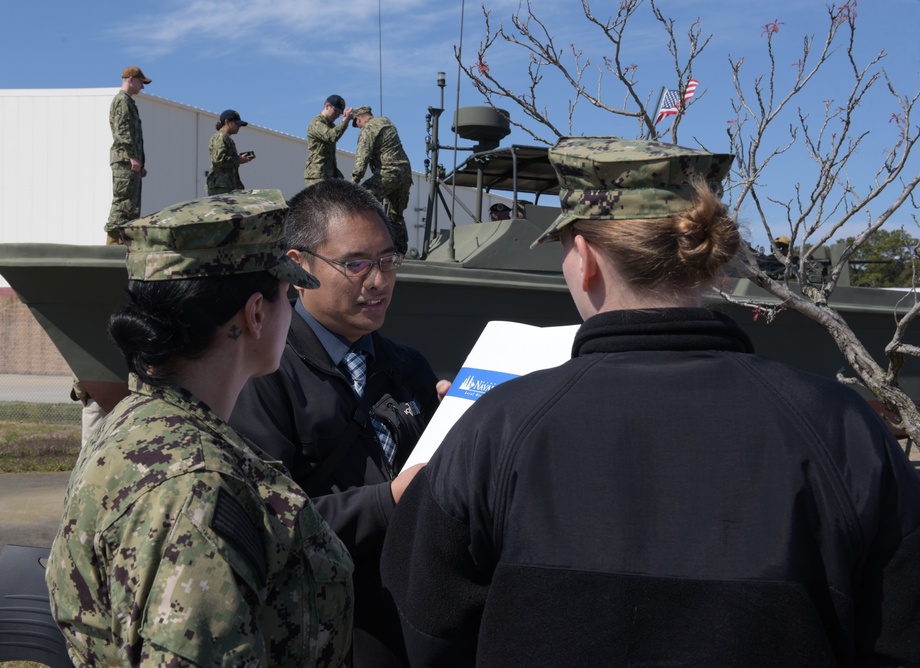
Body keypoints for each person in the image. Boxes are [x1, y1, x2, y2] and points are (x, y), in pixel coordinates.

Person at [380, 137, 920, 666]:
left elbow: (427, 623)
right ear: (708, 260)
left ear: (585, 256)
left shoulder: (492, 430)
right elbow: (899, 633)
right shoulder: (843, 429)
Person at [47, 191, 354, 667]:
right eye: (288, 297)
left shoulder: (134, 423)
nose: (292, 312)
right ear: (255, 314)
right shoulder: (198, 484)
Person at [229, 179, 444, 668]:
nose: (378, 281)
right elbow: (266, 527)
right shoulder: (265, 374)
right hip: (316, 636)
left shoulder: (408, 367)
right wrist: (387, 503)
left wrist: (467, 425)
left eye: (388, 261)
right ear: (298, 265)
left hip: (409, 626)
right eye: (356, 264)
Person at [350, 106, 412, 254]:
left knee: (359, 199)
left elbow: (362, 159)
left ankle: (364, 244)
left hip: (388, 172)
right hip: (405, 173)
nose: (358, 127)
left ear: (359, 119)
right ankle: (401, 253)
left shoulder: (367, 128)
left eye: (357, 125)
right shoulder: (386, 122)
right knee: (396, 216)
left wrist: (352, 183)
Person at [105, 65, 150, 245]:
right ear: (131, 79)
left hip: (130, 161)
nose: (142, 86)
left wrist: (140, 162)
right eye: (141, 82)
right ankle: (113, 245)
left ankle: (124, 245)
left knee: (131, 206)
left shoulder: (128, 102)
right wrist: (132, 156)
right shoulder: (122, 101)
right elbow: (122, 130)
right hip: (125, 161)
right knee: (123, 205)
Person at [305, 94, 354, 187]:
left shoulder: (331, 125)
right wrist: (345, 120)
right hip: (317, 175)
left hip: (330, 174)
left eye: (340, 113)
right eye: (336, 111)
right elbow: (332, 136)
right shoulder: (316, 123)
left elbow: (335, 133)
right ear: (327, 106)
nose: (337, 115)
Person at [206, 109, 254, 195]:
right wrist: (239, 159)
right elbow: (219, 159)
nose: (239, 126)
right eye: (236, 123)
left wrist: (239, 158)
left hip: (227, 186)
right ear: (227, 122)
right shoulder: (221, 137)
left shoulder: (226, 138)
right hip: (221, 188)